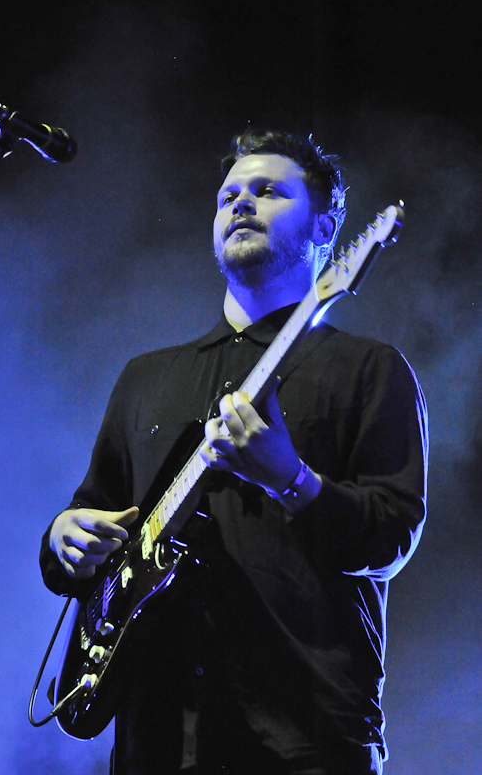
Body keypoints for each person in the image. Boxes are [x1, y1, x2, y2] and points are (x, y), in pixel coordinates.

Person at [40, 129, 428, 775]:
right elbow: (90, 524)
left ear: (327, 225)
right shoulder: (146, 378)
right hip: (154, 744)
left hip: (306, 746)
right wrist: (61, 539)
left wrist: (293, 480)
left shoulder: (372, 370)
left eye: (268, 191)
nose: (240, 204)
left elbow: (391, 536)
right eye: (228, 196)